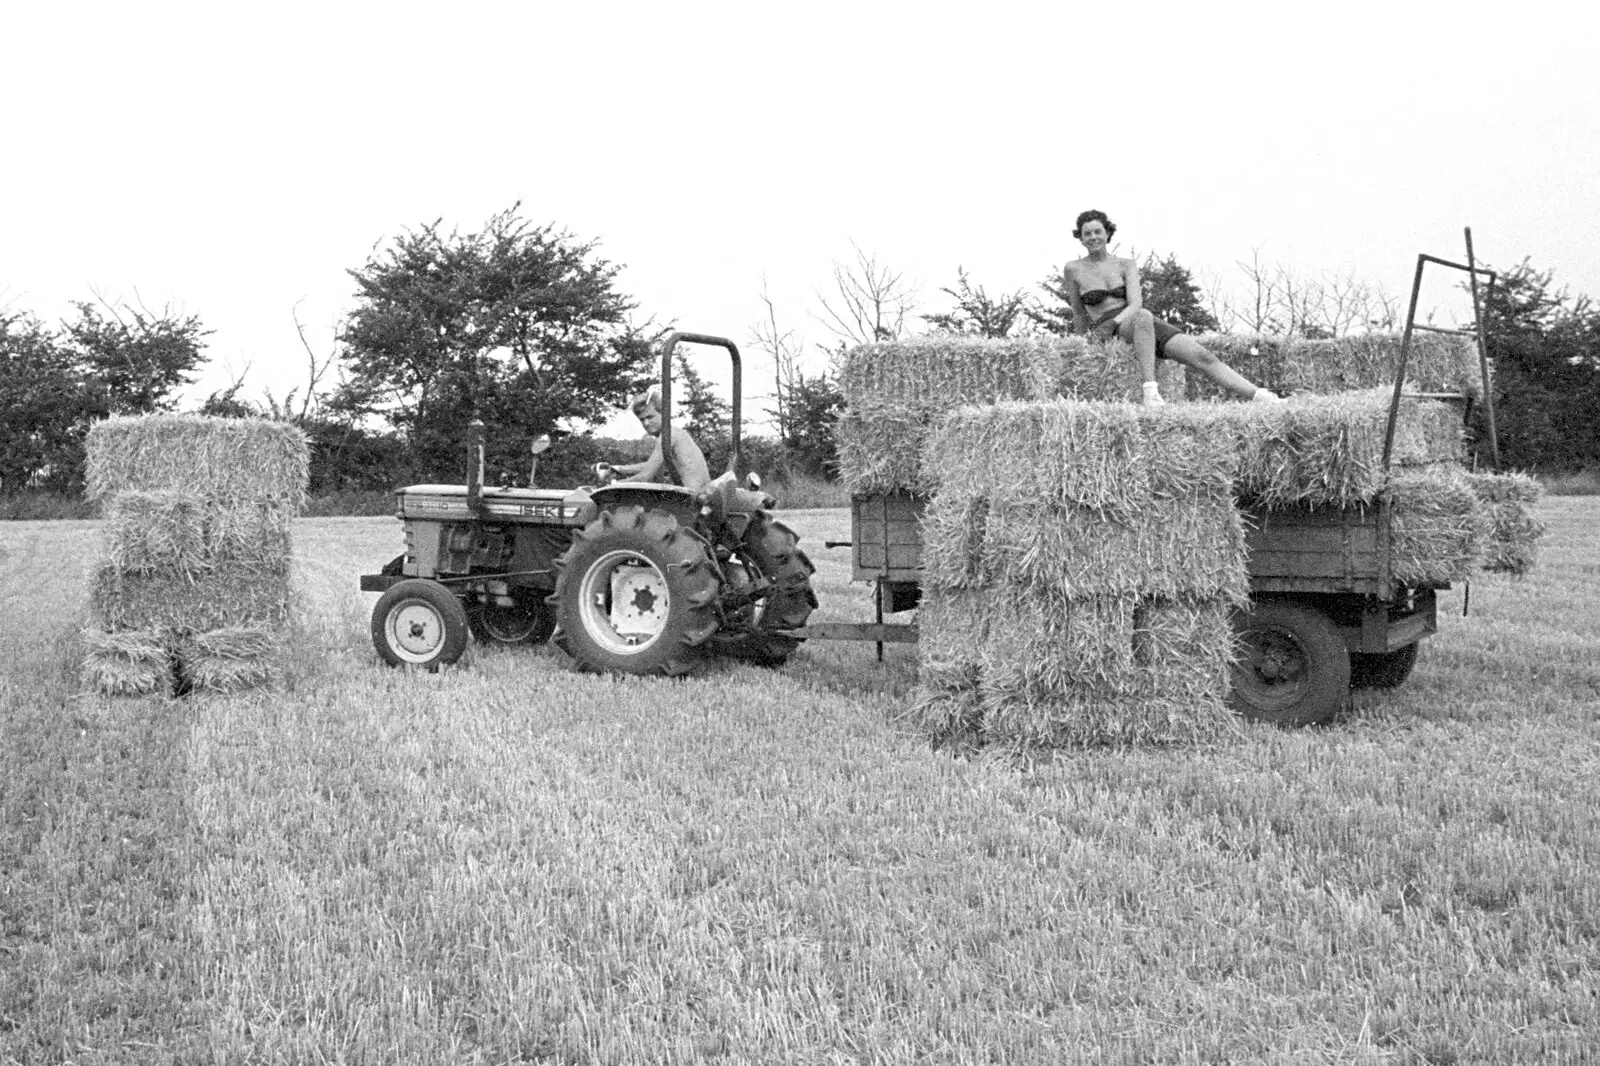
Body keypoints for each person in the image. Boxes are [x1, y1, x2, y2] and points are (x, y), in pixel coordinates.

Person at [1062, 209, 1281, 406]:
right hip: (1111, 328)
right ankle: (1151, 392)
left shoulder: (1125, 264)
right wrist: (1082, 347)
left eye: (1097, 232)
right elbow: (1079, 312)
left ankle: (1262, 396)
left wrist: (1116, 321)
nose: (1093, 237)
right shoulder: (1073, 269)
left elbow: (1136, 302)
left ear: (1107, 233)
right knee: (1143, 316)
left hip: (1136, 321)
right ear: (1080, 238)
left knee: (1203, 356)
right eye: (1087, 234)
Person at [603, 386, 712, 492]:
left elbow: (645, 477)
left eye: (650, 417)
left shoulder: (668, 436)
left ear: (663, 414)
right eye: (642, 420)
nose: (646, 423)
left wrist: (612, 485)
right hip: (700, 496)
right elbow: (651, 466)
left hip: (692, 499)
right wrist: (617, 469)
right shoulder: (674, 433)